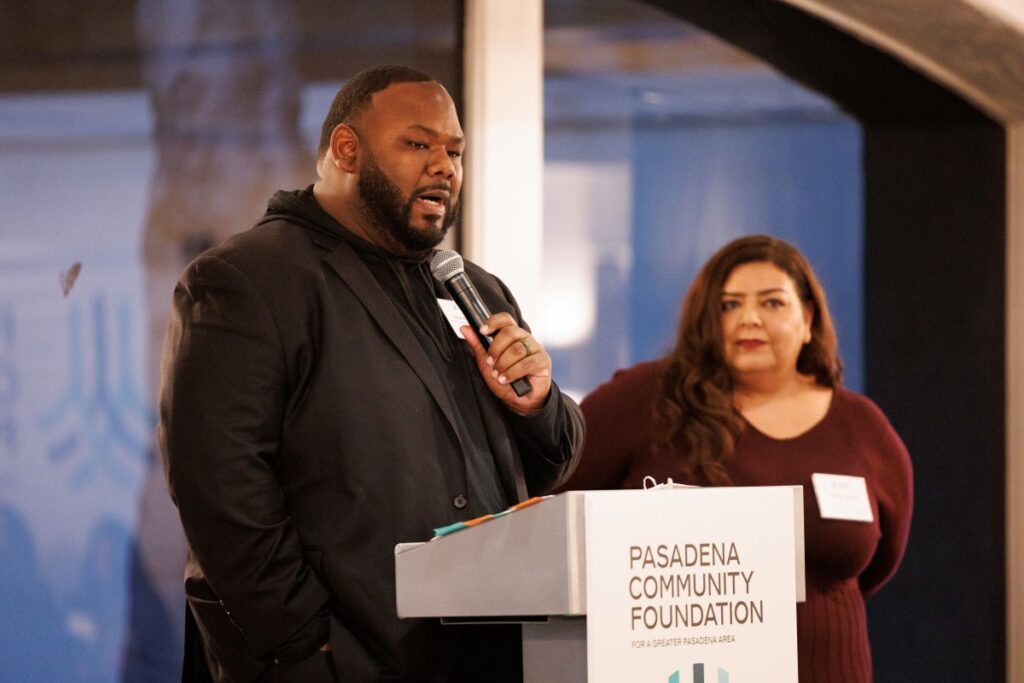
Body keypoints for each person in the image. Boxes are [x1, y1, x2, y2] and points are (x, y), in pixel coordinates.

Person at [158, 64, 584, 683]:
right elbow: (219, 486)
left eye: (455, 151)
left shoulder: (474, 289)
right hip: (341, 659)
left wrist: (536, 406)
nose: (445, 166)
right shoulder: (248, 278)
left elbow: (553, 463)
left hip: (484, 652)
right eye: (418, 144)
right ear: (346, 150)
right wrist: (305, 645)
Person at [559, 235, 912, 682]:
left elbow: (880, 562)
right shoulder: (646, 400)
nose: (748, 319)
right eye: (728, 306)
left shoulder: (863, 427)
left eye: (772, 303)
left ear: (807, 320)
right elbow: (559, 505)